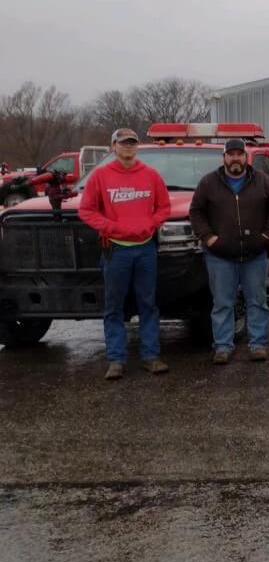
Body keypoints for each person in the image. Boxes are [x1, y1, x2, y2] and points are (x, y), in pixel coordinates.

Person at [79, 128, 171, 380]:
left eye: (132, 143)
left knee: (148, 304)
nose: (128, 147)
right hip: (115, 250)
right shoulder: (100, 176)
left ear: (137, 147)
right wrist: (111, 227)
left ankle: (151, 356)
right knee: (114, 307)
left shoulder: (151, 175)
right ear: (113, 147)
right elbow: (86, 211)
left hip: (145, 249)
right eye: (123, 143)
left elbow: (164, 207)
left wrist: (150, 224)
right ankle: (116, 360)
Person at [189, 138, 269, 364]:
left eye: (239, 154)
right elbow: (196, 212)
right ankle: (222, 346)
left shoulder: (262, 181)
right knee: (222, 303)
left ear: (245, 157)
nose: (235, 158)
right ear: (224, 158)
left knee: (257, 302)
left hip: (255, 255)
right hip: (220, 256)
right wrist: (209, 238)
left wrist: (266, 236)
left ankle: (258, 344)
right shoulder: (208, 183)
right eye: (230, 154)